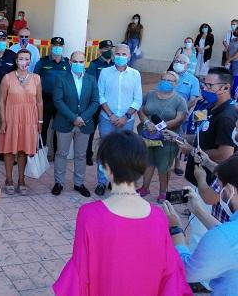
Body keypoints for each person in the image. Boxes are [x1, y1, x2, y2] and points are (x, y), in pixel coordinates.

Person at [53, 131, 192, 296]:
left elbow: (79, 273)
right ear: (141, 168)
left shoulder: (89, 215)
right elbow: (170, 275)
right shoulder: (159, 217)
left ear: (107, 169)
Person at [163, 155, 238, 295]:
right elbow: (228, 235)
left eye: (220, 187)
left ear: (230, 190)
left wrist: (176, 230)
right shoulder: (228, 233)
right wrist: (197, 210)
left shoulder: (223, 237)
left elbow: (187, 271)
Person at [96, 43, 142, 196]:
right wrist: (111, 115)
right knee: (104, 151)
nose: (120, 57)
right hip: (106, 119)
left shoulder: (135, 74)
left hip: (126, 121)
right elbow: (100, 96)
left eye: (124, 54)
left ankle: (117, 182)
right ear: (113, 55)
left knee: (123, 152)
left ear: (129, 57)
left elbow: (137, 99)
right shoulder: (105, 73)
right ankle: (102, 182)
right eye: (118, 54)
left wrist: (126, 116)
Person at [180, 67, 238, 188]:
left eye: (210, 86)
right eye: (204, 84)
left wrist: (191, 150)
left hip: (209, 182)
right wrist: (182, 138)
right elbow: (206, 134)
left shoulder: (226, 117)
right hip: (198, 176)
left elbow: (225, 154)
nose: (205, 89)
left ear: (226, 88)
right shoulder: (212, 106)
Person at [52, 51, 99, 198]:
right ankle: (59, 183)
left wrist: (82, 118)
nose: (79, 65)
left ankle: (79, 183)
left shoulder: (91, 79)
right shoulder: (61, 79)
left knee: (80, 155)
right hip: (65, 122)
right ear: (70, 63)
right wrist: (73, 117)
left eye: (81, 62)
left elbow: (95, 101)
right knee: (61, 154)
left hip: (84, 124)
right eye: (75, 62)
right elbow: (58, 101)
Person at [136, 71, 187, 202]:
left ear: (176, 84)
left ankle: (163, 192)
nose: (166, 82)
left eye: (170, 81)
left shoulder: (179, 100)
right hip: (147, 136)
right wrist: (146, 122)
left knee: (164, 167)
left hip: (167, 139)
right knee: (148, 162)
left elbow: (179, 119)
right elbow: (141, 109)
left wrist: (159, 127)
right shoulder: (150, 94)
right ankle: (144, 188)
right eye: (164, 79)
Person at [0, 49, 43, 196]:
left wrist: (40, 121)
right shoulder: (7, 78)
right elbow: (1, 101)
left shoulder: (36, 78)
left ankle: (21, 180)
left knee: (24, 149)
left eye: (27, 59)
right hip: (11, 117)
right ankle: (9, 179)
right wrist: (3, 120)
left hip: (29, 119)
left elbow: (39, 101)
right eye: (21, 59)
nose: (24, 62)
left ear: (31, 61)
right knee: (10, 149)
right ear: (16, 61)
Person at [34, 36, 69, 160]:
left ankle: (57, 154)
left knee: (59, 128)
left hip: (61, 101)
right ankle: (40, 155)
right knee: (42, 127)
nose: (57, 48)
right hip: (45, 99)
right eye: (55, 45)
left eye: (59, 46)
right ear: (51, 46)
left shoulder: (67, 63)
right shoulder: (43, 62)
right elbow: (35, 80)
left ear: (63, 47)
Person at [85, 39, 114, 166]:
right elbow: (91, 83)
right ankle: (88, 154)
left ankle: (106, 155)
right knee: (92, 129)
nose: (109, 51)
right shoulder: (94, 64)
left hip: (110, 102)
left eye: (110, 48)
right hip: (97, 102)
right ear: (100, 50)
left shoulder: (114, 64)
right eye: (106, 49)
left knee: (108, 130)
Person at [227, 28, 238, 96]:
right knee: (229, 78)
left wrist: (229, 59)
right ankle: (228, 94)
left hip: (236, 62)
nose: (235, 31)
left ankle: (233, 95)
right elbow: (228, 49)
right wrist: (227, 58)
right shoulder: (232, 39)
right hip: (230, 61)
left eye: (237, 30)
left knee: (235, 78)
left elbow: (237, 54)